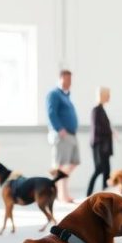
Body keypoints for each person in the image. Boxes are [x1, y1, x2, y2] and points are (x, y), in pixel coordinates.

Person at [46, 70, 80, 203]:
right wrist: (59, 129)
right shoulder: (54, 94)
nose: (69, 83)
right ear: (60, 79)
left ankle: (61, 192)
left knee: (73, 162)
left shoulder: (66, 96)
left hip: (72, 134)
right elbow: (51, 112)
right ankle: (60, 194)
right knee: (60, 166)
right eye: (67, 80)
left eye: (71, 80)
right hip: (62, 135)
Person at [86, 86, 114, 197]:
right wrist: (110, 131)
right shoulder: (96, 110)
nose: (109, 97)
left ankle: (105, 195)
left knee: (107, 171)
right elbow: (97, 129)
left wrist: (111, 131)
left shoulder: (102, 109)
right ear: (103, 95)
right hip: (99, 147)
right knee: (99, 169)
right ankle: (88, 194)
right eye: (108, 95)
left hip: (105, 146)